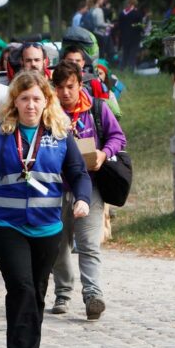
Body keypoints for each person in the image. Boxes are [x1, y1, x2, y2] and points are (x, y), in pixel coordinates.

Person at [0, 70, 91, 348]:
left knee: (38, 292)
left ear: (47, 101)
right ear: (14, 102)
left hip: (47, 228)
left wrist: (82, 198)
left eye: (36, 98)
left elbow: (78, 172)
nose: (30, 105)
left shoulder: (60, 133)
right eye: (24, 99)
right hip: (5, 224)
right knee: (21, 287)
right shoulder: (0, 133)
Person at [49, 62, 126, 319]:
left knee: (88, 244)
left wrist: (104, 154)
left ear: (79, 84)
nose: (65, 93)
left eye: (70, 87)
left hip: (91, 185)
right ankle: (63, 292)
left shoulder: (96, 108)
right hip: (56, 187)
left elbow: (118, 137)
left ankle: (93, 295)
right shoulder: (48, 113)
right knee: (58, 244)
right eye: (59, 88)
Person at [115, 0, 145, 70]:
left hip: (124, 37)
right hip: (135, 37)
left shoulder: (122, 13)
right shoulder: (137, 13)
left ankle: (122, 68)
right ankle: (131, 69)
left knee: (125, 53)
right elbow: (140, 26)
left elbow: (119, 26)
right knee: (132, 54)